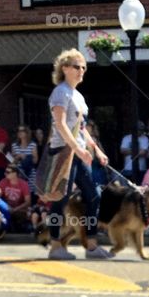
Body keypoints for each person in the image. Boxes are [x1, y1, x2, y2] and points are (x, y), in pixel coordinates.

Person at [42, 48, 111, 261]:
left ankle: (91, 245)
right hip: (63, 152)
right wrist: (78, 150)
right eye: (76, 66)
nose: (81, 70)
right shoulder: (60, 93)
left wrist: (96, 149)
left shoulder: (79, 97)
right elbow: (60, 125)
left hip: (78, 152)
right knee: (60, 199)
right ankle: (55, 246)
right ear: (64, 69)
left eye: (83, 67)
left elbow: (81, 128)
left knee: (94, 195)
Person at [0, 163, 32, 229]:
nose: (5, 174)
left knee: (26, 214)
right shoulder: (3, 182)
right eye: (5, 171)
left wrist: (15, 209)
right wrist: (7, 207)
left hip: (20, 209)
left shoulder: (24, 184)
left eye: (8, 172)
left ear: (15, 173)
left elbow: (28, 202)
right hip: (7, 208)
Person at [11, 125, 38, 190]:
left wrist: (27, 157)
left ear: (27, 132)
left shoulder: (32, 145)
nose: (20, 132)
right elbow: (12, 162)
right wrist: (18, 156)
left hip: (30, 174)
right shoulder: (14, 145)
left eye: (22, 131)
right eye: (18, 131)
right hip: (18, 174)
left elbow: (35, 160)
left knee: (30, 193)